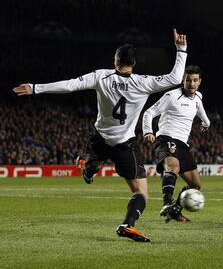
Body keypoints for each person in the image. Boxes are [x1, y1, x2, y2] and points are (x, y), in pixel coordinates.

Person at [12, 29, 188, 242]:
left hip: (100, 138)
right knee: (141, 193)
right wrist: (181, 49)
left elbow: (69, 85)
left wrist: (35, 88)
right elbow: (176, 77)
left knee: (92, 163)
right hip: (124, 144)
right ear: (133, 64)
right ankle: (127, 225)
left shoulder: (100, 76)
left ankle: (88, 168)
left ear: (116, 60)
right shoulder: (144, 83)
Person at [142, 65, 210, 222]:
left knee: (196, 185)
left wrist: (206, 123)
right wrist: (147, 131)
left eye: (194, 80)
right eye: (188, 80)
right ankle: (167, 204)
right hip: (166, 138)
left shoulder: (198, 97)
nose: (191, 84)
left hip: (183, 144)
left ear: (199, 81)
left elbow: (202, 113)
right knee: (173, 166)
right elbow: (149, 112)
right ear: (183, 80)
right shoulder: (172, 95)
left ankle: (175, 210)